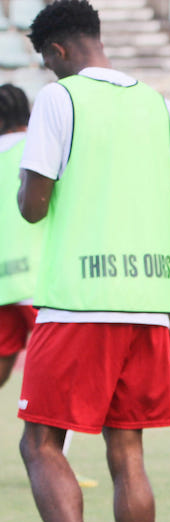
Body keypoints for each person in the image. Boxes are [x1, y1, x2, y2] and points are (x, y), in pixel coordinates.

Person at [13, 0, 170, 522]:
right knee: (127, 453)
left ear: (56, 52)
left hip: (78, 304)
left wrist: (24, 191)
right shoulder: (160, 107)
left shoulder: (60, 102)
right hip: (146, 303)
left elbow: (34, 206)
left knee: (39, 444)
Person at [0, 84, 40, 392]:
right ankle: (53, 442)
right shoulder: (36, 148)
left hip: (3, 285)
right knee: (55, 369)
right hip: (38, 281)